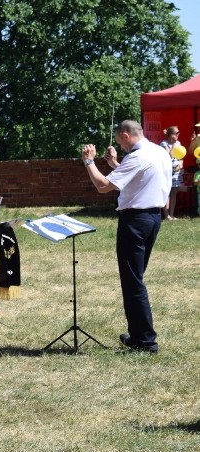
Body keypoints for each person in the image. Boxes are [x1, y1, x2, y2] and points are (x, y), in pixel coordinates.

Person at [81, 119, 170, 353]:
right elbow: (136, 181)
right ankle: (138, 334)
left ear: (126, 136)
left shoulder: (137, 156)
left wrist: (89, 161)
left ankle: (146, 341)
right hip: (152, 218)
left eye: (120, 142)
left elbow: (103, 187)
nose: (120, 147)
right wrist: (114, 164)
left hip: (136, 221)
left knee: (133, 282)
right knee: (135, 278)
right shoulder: (158, 151)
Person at [159, 126, 183, 220]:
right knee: (166, 193)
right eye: (177, 133)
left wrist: (181, 162)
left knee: (173, 194)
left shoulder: (178, 143)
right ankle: (166, 215)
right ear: (171, 135)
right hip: (166, 172)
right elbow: (169, 155)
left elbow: (180, 156)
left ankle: (172, 215)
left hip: (176, 172)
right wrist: (174, 146)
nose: (178, 135)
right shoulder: (163, 144)